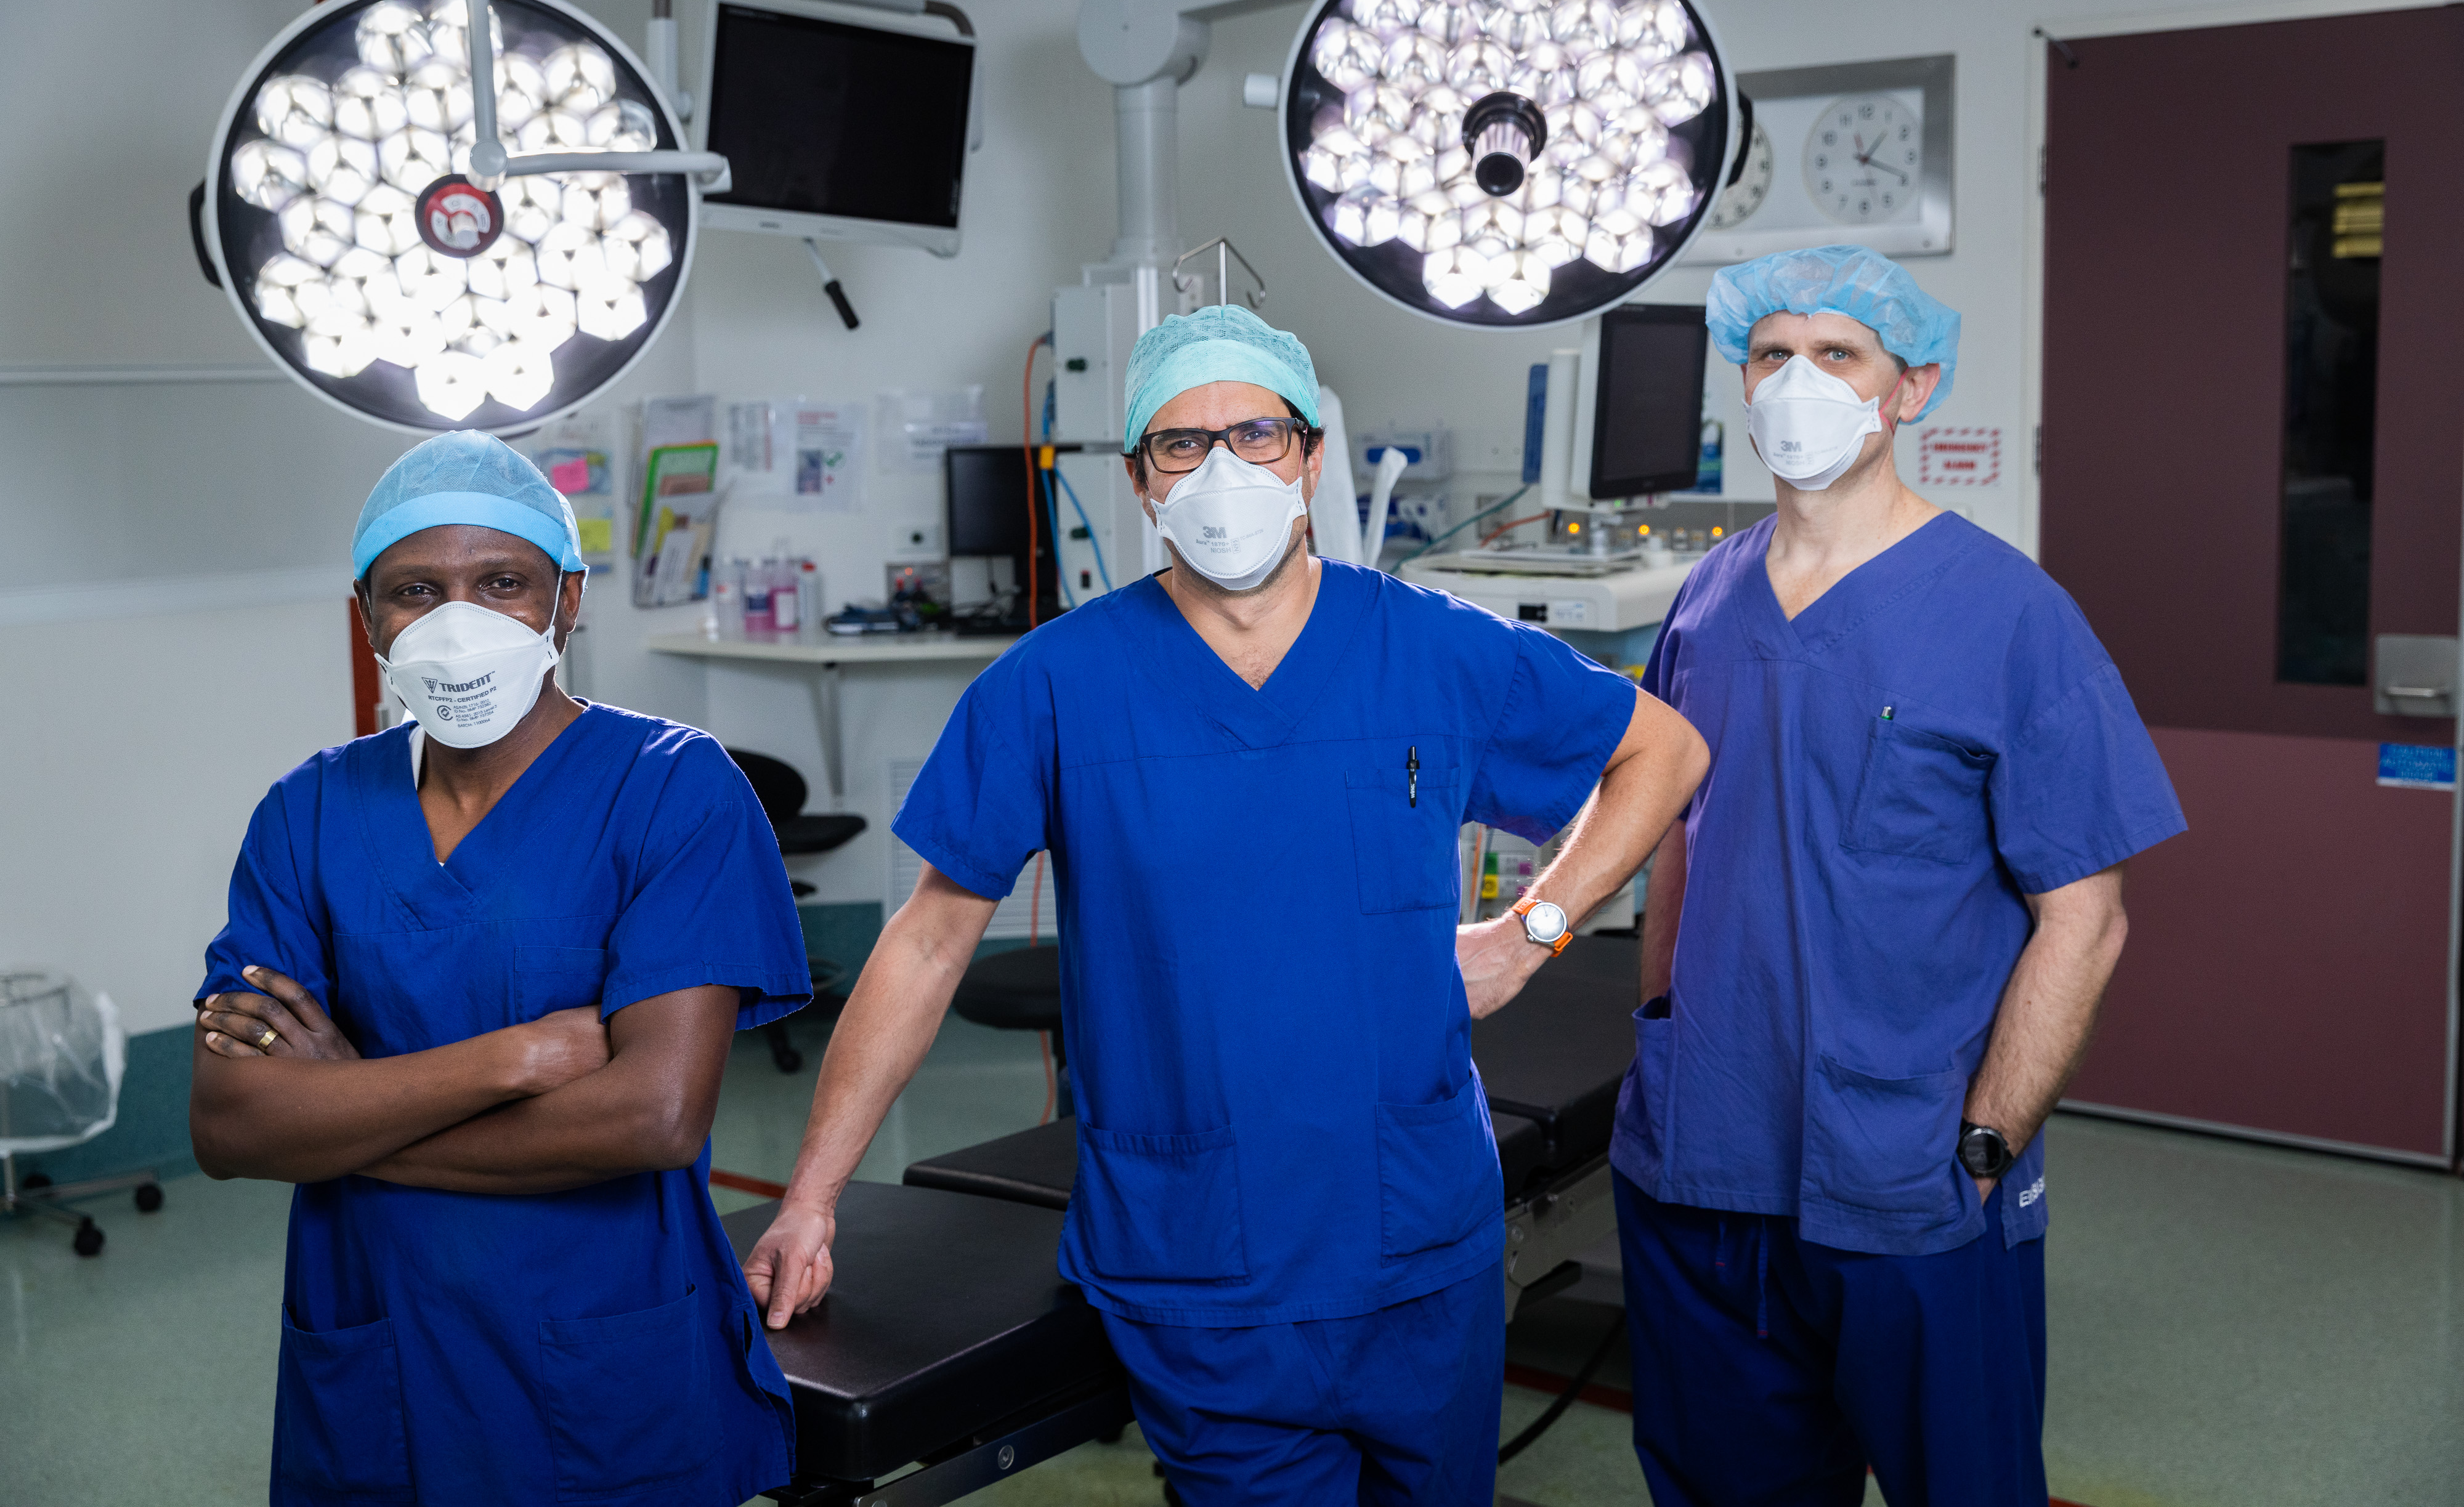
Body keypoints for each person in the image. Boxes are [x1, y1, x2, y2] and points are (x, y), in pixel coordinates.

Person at [741, 304, 1708, 1506]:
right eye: (1179, 444)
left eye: (1253, 434)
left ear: (1308, 453)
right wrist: (812, 1196)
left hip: (1412, 1232)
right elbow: (928, 937)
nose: (1219, 471)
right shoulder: (1055, 684)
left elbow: (1659, 753)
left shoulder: (1430, 648)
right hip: (1193, 1248)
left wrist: (1531, 934)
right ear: (1141, 479)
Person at [1611, 246, 2187, 1505]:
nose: (1796, 383)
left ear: (1906, 387)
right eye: (1771, 355)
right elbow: (1673, 838)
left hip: (1912, 1177)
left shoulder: (2008, 614)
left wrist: (1984, 1140)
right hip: (1702, 1164)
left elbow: (2081, 919)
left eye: (1837, 355)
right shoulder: (1704, 602)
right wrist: (1661, 1034)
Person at [188, 431, 810, 1507]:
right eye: (415, 590)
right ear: (366, 616)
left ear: (567, 601)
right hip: (379, 1331)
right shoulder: (310, 810)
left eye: (503, 584)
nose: (457, 622)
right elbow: (232, 1125)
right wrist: (518, 1057)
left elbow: (651, 1119)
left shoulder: (673, 789)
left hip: (598, 1333)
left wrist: (346, 1114)